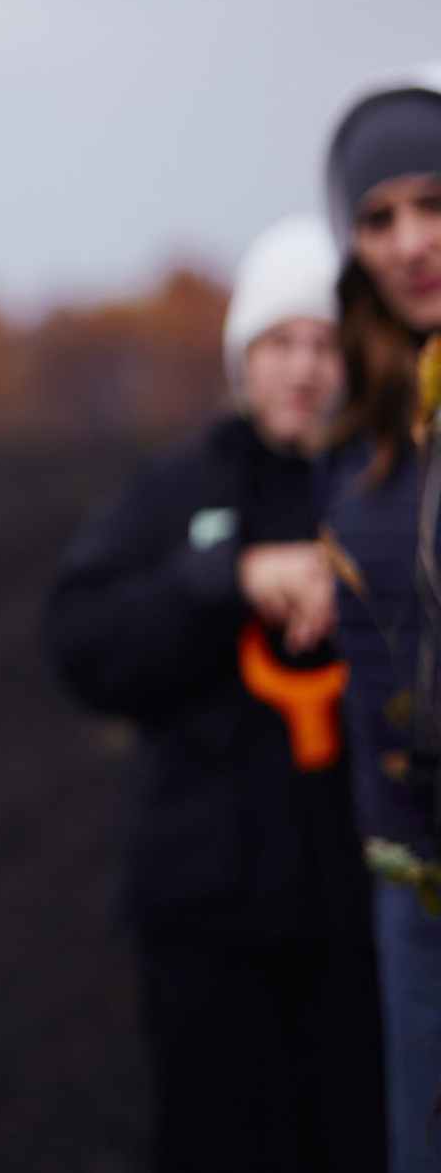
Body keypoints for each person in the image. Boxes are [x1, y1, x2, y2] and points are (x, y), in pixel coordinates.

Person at [46, 214, 384, 1171]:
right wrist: (225, 578)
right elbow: (80, 637)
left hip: (353, 915)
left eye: (325, 343)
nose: (304, 368)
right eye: (280, 343)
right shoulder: (174, 492)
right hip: (205, 916)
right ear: (244, 358)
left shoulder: (382, 490)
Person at [324, 69, 441, 1172]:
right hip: (409, 883)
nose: (411, 241)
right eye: (378, 218)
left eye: (432, 204)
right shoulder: (351, 440)